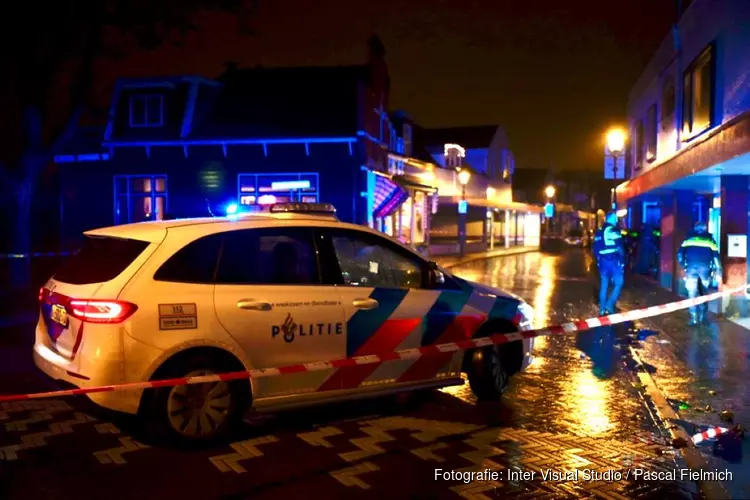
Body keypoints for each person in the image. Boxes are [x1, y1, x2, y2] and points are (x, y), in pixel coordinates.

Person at [678, 221, 722, 326]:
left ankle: (694, 319)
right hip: (705, 270)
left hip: (691, 269)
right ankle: (703, 318)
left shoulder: (688, 239)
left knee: (692, 293)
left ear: (695, 228)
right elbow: (716, 257)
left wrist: (683, 265)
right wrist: (719, 270)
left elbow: (680, 254)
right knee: (703, 292)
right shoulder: (710, 240)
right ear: (705, 229)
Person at [593, 211, 625, 316]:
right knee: (619, 282)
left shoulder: (599, 231)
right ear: (610, 218)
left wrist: (599, 260)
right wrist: (623, 259)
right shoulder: (612, 230)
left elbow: (595, 248)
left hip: (602, 261)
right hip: (613, 260)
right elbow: (619, 247)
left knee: (604, 285)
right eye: (615, 218)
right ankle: (610, 305)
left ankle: (602, 309)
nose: (616, 220)